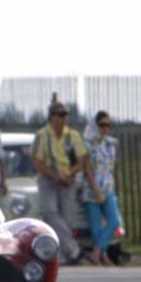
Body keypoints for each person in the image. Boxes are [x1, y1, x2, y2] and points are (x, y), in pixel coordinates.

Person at [31, 101, 88, 264]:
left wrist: (70, 174)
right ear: (52, 117)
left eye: (65, 115)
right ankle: (72, 248)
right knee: (50, 211)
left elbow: (82, 159)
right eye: (60, 115)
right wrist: (56, 176)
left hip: (68, 180)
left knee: (66, 218)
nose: (64, 118)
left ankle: (61, 256)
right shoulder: (42, 135)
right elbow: (38, 162)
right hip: (48, 179)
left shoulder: (73, 136)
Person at [82, 111, 122, 266]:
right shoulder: (88, 145)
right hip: (92, 189)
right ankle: (102, 257)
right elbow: (88, 169)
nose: (105, 128)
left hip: (107, 187)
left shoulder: (110, 144)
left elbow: (110, 167)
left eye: (108, 125)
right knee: (96, 226)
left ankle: (97, 251)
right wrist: (96, 190)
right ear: (95, 125)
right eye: (102, 125)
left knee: (114, 221)